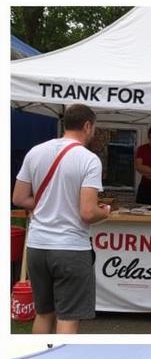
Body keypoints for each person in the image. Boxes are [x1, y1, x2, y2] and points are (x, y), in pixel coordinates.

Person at [12, 103, 111, 335]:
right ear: (87, 126)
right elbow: (87, 213)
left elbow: (19, 198)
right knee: (68, 317)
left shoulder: (35, 151)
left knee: (44, 313)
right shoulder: (88, 160)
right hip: (70, 248)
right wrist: (105, 212)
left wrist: (49, 203)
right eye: (93, 127)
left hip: (37, 246)